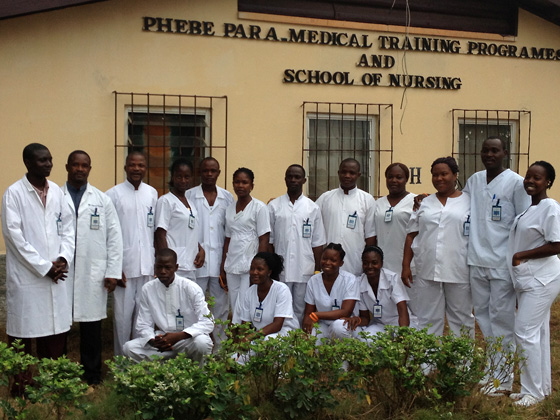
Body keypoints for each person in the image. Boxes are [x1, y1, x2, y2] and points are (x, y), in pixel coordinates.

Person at [2, 143, 75, 396]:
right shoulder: (14, 194)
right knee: (23, 332)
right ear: (28, 163)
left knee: (54, 330)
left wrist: (63, 258)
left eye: (50, 159)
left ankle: (51, 382)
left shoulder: (56, 191)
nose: (49, 164)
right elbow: (14, 237)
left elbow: (68, 228)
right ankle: (20, 386)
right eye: (43, 160)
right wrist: (44, 267)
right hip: (28, 277)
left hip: (57, 273)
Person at [462, 137, 530, 394]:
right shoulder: (475, 180)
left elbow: (523, 222)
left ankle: (502, 379)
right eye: (485, 150)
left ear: (505, 153)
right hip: (476, 260)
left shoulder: (516, 183)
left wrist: (519, 260)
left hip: (502, 263)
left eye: (494, 150)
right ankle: (492, 370)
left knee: (502, 322)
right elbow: (461, 208)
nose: (489, 154)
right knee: (483, 319)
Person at [63, 150, 123, 385]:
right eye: (75, 165)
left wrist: (112, 272)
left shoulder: (102, 199)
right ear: (67, 167)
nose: (80, 169)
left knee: (91, 328)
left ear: (90, 168)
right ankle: (62, 374)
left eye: (84, 165)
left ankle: (92, 375)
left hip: (93, 271)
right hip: (63, 272)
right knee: (61, 326)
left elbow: (114, 238)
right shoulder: (56, 197)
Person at [507, 161, 560, 407]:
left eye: (537, 178)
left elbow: (556, 245)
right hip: (529, 279)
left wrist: (520, 256)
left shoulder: (550, 207)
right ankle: (540, 388)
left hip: (543, 279)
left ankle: (532, 392)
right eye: (528, 176)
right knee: (536, 333)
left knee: (524, 332)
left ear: (548, 182)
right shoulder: (528, 210)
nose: (530, 180)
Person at [402, 156, 473, 337]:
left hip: (458, 268)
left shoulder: (469, 202)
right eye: (435, 175)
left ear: (455, 175)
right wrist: (405, 266)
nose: (439, 178)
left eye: (444, 174)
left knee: (461, 317)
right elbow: (411, 234)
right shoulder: (424, 202)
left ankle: (462, 363)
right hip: (427, 267)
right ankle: (428, 362)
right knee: (427, 317)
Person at [106, 151, 158, 356]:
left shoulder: (152, 193)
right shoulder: (112, 194)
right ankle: (121, 362)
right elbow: (108, 234)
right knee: (122, 318)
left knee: (144, 317)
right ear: (125, 167)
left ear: (145, 168)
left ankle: (139, 360)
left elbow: (154, 231)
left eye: (141, 165)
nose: (137, 169)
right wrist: (114, 267)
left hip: (147, 265)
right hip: (124, 268)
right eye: (132, 165)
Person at [123, 248, 214, 364]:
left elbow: (207, 321)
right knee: (129, 348)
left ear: (176, 267)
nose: (163, 271)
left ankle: (197, 374)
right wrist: (153, 341)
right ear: (154, 267)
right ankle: (163, 375)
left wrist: (179, 336)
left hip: (187, 340)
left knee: (202, 343)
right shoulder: (148, 289)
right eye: (159, 267)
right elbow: (143, 324)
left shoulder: (191, 288)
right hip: (162, 342)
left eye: (167, 267)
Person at [268, 164, 326, 322]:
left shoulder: (312, 208)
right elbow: (270, 241)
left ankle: (299, 342)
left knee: (301, 307)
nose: (293, 180)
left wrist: (317, 270)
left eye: (297, 177)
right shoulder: (274, 206)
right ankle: (284, 341)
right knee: (281, 307)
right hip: (281, 268)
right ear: (285, 179)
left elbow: (318, 242)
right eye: (290, 176)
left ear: (304, 180)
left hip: (304, 266)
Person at [186, 157, 233, 346]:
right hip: (195, 261)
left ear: (219, 173)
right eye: (205, 171)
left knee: (220, 309)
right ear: (200, 172)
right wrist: (197, 246)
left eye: (213, 171)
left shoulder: (227, 197)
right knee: (193, 307)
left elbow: (229, 230)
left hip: (220, 263)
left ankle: (220, 351)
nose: (209, 174)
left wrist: (225, 262)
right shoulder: (189, 195)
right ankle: (195, 347)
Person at [371, 163, 418, 318]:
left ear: (406, 179)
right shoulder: (377, 204)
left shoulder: (415, 202)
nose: (394, 180)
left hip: (408, 266)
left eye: (399, 177)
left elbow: (417, 234)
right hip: (385, 266)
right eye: (390, 177)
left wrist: (408, 265)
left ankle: (413, 340)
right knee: (389, 310)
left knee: (413, 308)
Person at [221, 167, 271, 310]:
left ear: (251, 186)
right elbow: (228, 239)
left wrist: (258, 267)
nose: (240, 186)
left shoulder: (259, 207)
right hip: (232, 263)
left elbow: (264, 239)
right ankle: (235, 331)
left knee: (245, 303)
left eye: (245, 182)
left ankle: (243, 331)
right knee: (233, 302)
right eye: (237, 182)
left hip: (250, 263)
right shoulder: (229, 208)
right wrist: (223, 265)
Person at [316, 158, 375, 276]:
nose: (347, 176)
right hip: (329, 264)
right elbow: (308, 215)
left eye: (352, 173)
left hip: (355, 262)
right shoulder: (325, 198)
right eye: (344, 172)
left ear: (358, 175)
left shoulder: (367, 200)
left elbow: (370, 236)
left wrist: (367, 263)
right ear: (338, 173)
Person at [344, 246, 410, 340]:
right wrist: (356, 320)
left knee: (408, 346)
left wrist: (403, 334)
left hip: (400, 321)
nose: (370, 266)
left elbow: (402, 310)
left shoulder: (392, 279)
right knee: (364, 340)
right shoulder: (359, 283)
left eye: (374, 263)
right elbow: (365, 318)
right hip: (379, 324)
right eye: (366, 263)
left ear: (381, 263)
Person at [155, 158, 205, 280]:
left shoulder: (191, 204)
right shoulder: (166, 201)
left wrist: (200, 249)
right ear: (172, 177)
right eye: (179, 177)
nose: (183, 180)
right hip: (174, 267)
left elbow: (188, 232)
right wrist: (166, 265)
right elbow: (160, 234)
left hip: (190, 264)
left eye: (187, 177)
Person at [232, 252, 299, 339]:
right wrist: (242, 341)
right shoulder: (249, 292)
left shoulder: (281, 290)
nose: (254, 272)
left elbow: (277, 324)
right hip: (260, 336)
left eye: (260, 269)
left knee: (267, 341)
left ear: (269, 272)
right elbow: (245, 324)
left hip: (283, 333)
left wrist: (251, 337)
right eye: (252, 269)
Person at [302, 243, 359, 340]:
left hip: (345, 324)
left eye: (333, 260)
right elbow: (309, 312)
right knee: (311, 339)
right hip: (323, 324)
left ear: (341, 263)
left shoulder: (350, 280)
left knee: (338, 327)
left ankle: (344, 354)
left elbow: (346, 312)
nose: (327, 263)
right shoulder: (313, 281)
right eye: (324, 259)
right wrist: (306, 329)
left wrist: (316, 315)